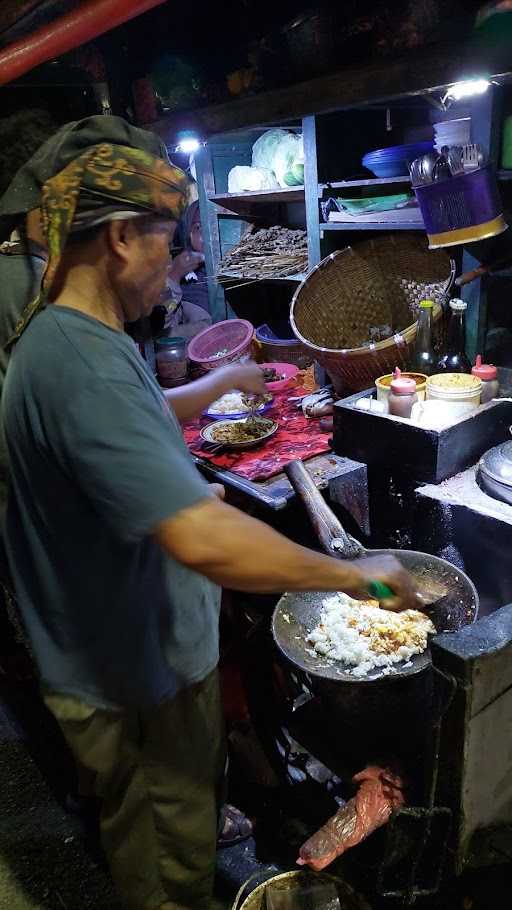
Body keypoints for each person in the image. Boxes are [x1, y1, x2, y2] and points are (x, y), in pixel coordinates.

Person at [2, 131, 419, 910]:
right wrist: (357, 575)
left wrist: (220, 380)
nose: (177, 263)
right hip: (133, 680)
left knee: (169, 833)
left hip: (127, 657)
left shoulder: (73, 337)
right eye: (171, 242)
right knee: (168, 866)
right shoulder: (79, 357)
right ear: (122, 237)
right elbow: (199, 537)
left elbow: (140, 415)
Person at [166, 200, 209, 314]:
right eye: (199, 227)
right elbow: (163, 321)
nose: (209, 235)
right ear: (189, 233)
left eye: (213, 224)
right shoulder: (186, 277)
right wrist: (174, 276)